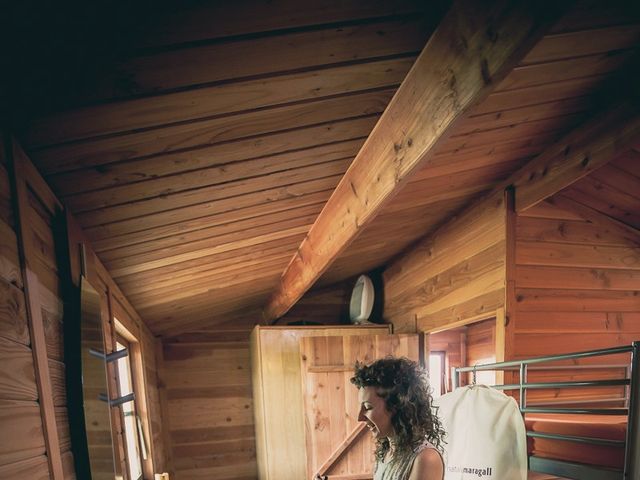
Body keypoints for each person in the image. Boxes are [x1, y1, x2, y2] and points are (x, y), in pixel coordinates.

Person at [351, 357, 445, 480]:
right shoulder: (387, 451)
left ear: (397, 405)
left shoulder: (425, 459)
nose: (360, 417)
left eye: (368, 407)